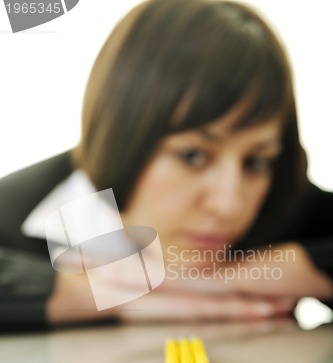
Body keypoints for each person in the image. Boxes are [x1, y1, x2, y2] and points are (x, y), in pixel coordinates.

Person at [0, 0, 332, 331]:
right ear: (119, 135)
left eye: (256, 161)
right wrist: (93, 296)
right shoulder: (13, 213)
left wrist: (250, 275)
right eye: (192, 156)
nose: (228, 205)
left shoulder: (280, 198)